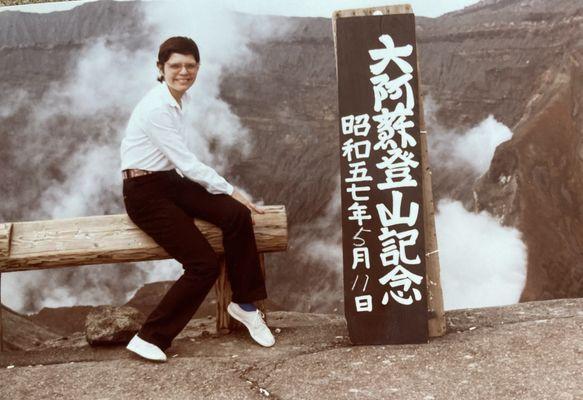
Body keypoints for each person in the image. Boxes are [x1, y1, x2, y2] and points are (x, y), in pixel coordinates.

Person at [120, 36, 275, 362]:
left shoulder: (175, 100)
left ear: (198, 67)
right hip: (144, 193)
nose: (183, 71)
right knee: (202, 264)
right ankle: (150, 337)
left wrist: (230, 198)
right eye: (175, 65)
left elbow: (178, 168)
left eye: (190, 65)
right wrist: (230, 188)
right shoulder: (157, 107)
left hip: (166, 182)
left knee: (236, 216)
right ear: (160, 68)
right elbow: (186, 163)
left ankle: (244, 304)